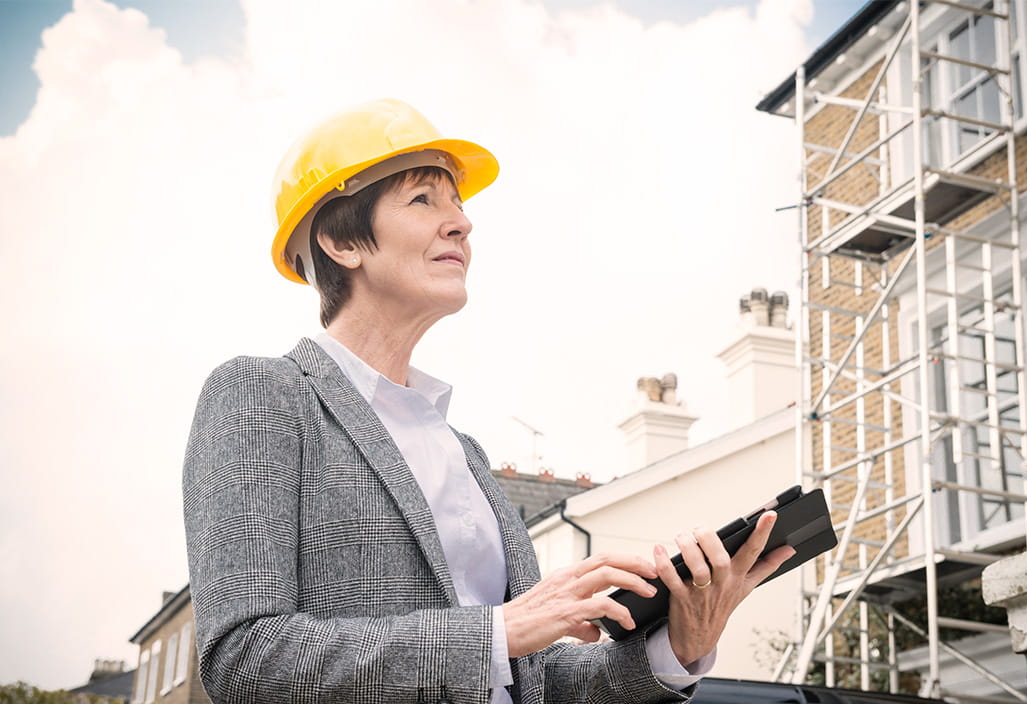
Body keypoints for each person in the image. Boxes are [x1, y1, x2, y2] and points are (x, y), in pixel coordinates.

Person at [182, 99, 796, 704]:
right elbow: (243, 658)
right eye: (424, 199)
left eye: (458, 202)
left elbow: (541, 681)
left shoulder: (465, 455)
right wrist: (498, 631)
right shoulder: (263, 395)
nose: (461, 222)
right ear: (342, 242)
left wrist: (680, 647)